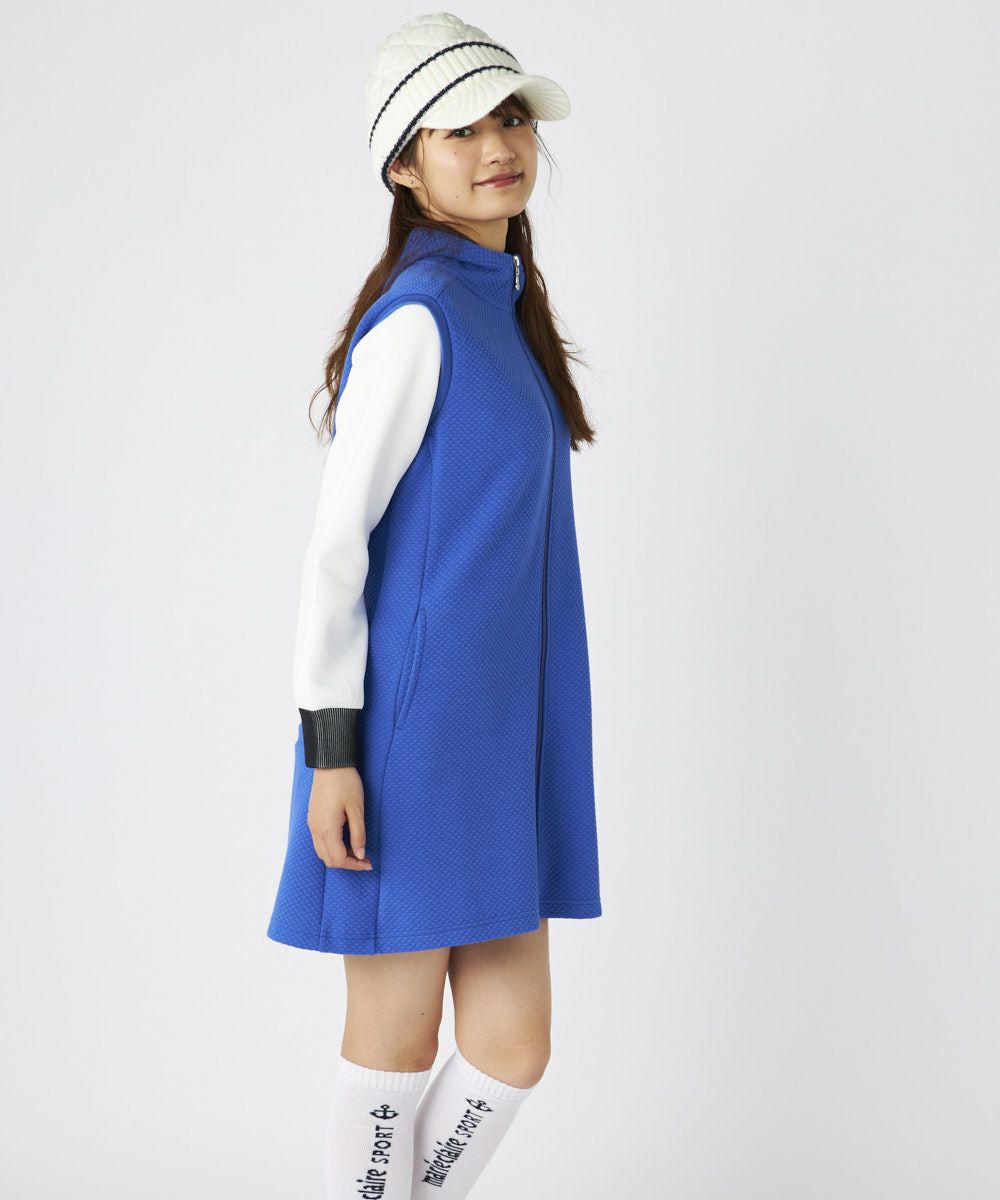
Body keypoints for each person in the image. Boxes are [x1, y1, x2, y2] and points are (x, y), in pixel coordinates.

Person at [266, 12, 603, 1198]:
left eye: (509, 117)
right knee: (395, 1049)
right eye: (457, 129)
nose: (496, 145)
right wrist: (333, 753)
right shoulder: (418, 317)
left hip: (501, 743)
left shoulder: (499, 312)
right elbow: (335, 547)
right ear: (404, 167)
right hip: (405, 744)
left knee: (512, 1051)